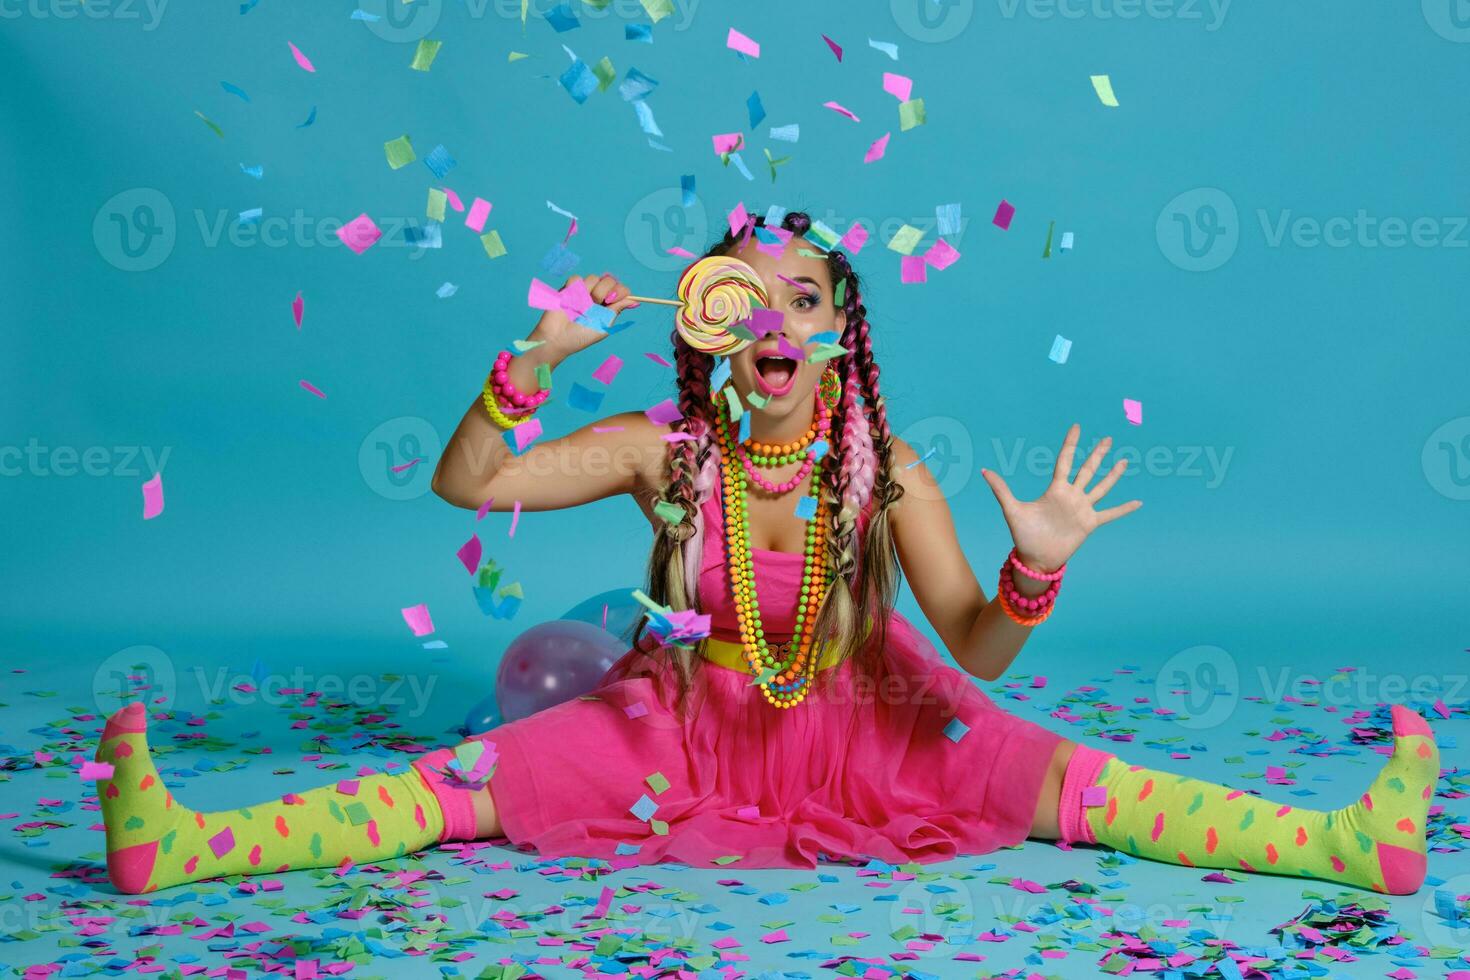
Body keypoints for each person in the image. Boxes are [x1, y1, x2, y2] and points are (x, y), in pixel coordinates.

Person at [94, 209, 1439, 896]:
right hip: (672, 722)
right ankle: (179, 843)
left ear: (841, 333)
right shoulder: (660, 451)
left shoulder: (887, 467)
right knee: (457, 787)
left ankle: (1350, 844)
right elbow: (472, 482)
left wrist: (1036, 566)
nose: (775, 316)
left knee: (1076, 784)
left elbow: (973, 641)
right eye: (747, 296)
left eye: (806, 295)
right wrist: (532, 362)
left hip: (874, 714)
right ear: (712, 330)